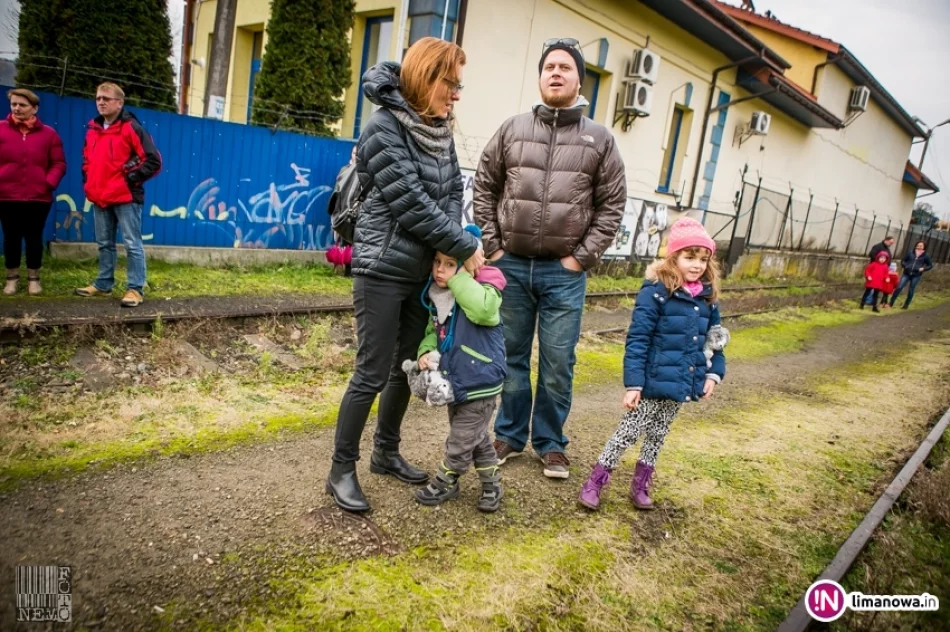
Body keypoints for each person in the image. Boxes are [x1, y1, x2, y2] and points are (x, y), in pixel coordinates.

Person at [326, 37, 484, 513]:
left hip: (421, 272)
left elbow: (454, 191)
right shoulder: (383, 127)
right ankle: (340, 469)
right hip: (380, 267)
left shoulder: (440, 129)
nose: (455, 94)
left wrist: (449, 245)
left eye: (459, 85)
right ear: (423, 77)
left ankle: (385, 451)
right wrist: (463, 246)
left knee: (407, 366)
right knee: (371, 371)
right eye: (449, 83)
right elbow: (410, 203)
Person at [474, 37, 626, 479]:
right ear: (540, 77)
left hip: (564, 272)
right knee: (512, 355)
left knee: (559, 361)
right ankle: (508, 435)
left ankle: (551, 442)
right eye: (548, 67)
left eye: (565, 67)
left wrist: (581, 258)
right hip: (512, 267)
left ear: (580, 79)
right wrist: (494, 246)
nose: (555, 73)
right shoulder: (512, 129)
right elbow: (483, 186)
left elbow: (611, 205)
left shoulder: (599, 139)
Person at [578, 218, 726, 511]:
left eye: (703, 259)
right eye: (689, 257)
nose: (697, 265)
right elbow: (638, 339)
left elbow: (715, 340)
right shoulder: (656, 292)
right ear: (674, 256)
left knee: (658, 435)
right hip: (651, 381)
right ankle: (595, 481)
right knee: (627, 433)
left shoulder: (707, 299)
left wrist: (713, 374)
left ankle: (640, 485)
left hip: (683, 381)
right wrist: (634, 384)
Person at [414, 224, 506, 512]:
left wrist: (462, 277)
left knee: (459, 439)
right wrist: (426, 351)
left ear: (467, 266)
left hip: (481, 382)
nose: (441, 270)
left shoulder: (484, 288)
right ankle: (492, 484)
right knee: (475, 438)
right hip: (458, 381)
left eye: (450, 264)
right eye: (437, 262)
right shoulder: (438, 297)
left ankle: (446, 481)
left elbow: (483, 310)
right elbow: (435, 330)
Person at [74, 83, 161, 308]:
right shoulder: (92, 129)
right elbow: (86, 161)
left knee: (132, 243)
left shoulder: (131, 127)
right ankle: (103, 284)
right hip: (100, 196)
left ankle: (135, 289)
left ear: (119, 103)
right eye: (98, 98)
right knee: (104, 243)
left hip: (126, 197)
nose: (101, 102)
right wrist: (88, 183)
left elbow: (153, 160)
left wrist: (129, 179)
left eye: (106, 98)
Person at [0, 88, 67, 295]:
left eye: (22, 105)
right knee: (10, 237)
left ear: (34, 108)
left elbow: (59, 163)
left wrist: (48, 183)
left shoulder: (49, 134)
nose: (17, 108)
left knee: (33, 238)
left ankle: (33, 280)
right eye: (14, 104)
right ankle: (11, 279)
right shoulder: (1, 129)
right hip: (6, 195)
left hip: (38, 197)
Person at [889, 240, 933, 310]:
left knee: (911, 289)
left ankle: (906, 305)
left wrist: (923, 268)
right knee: (899, 287)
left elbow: (930, 265)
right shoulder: (910, 252)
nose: (919, 247)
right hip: (906, 273)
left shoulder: (926, 255)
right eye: (918, 245)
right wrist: (905, 266)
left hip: (916, 275)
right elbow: (903, 260)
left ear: (924, 247)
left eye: (921, 246)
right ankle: (891, 303)